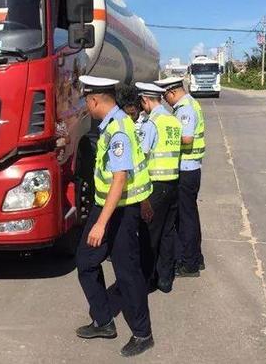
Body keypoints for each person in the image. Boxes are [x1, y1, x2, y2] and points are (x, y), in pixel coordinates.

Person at [75, 75, 155, 358]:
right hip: (107, 205)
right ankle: (104, 321)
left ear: (95, 100)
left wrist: (100, 223)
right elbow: (136, 167)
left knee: (127, 272)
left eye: (87, 100)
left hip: (119, 211)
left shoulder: (118, 129)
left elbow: (120, 178)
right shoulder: (114, 123)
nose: (86, 105)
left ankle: (143, 334)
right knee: (85, 262)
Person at [154, 75, 205, 277]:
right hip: (191, 169)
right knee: (190, 215)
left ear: (173, 92)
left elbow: (186, 139)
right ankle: (195, 258)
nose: (166, 101)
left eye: (166, 96)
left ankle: (189, 263)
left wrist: (166, 141)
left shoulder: (184, 109)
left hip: (186, 169)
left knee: (185, 219)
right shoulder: (190, 103)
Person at [135, 82, 182, 293]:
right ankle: (165, 279)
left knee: (149, 234)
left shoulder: (151, 123)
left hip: (155, 185)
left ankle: (146, 281)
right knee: (167, 232)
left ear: (145, 100)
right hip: (174, 183)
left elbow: (142, 155)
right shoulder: (172, 121)